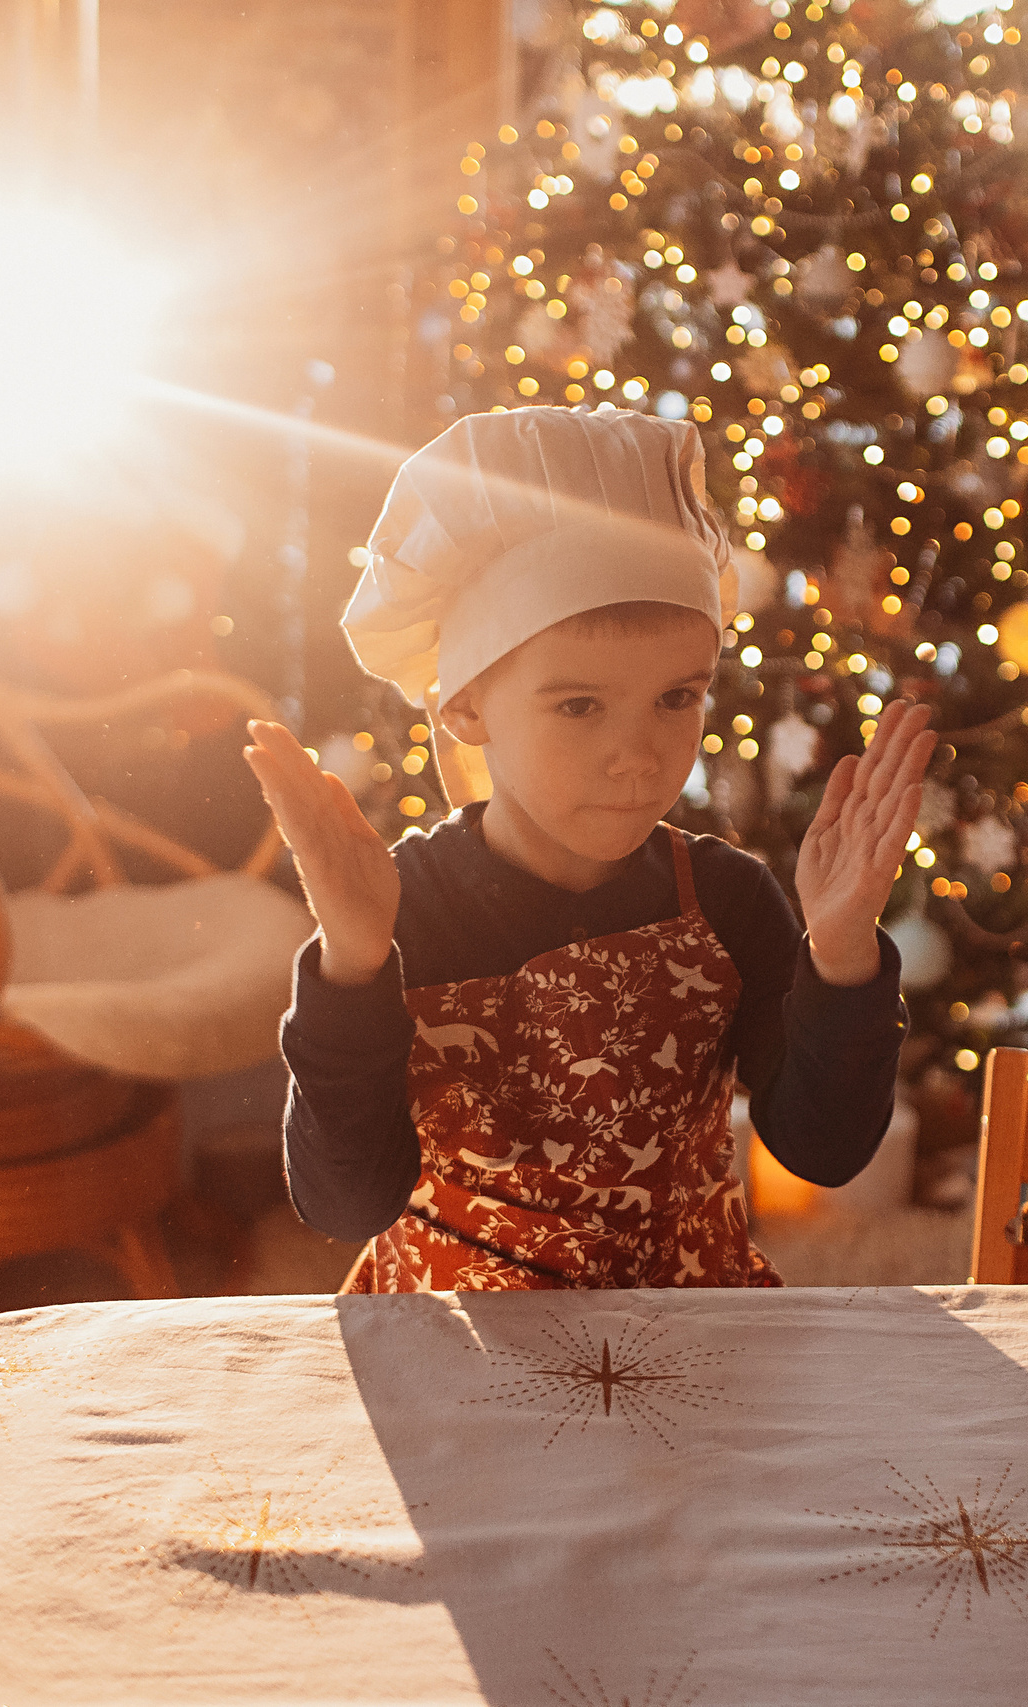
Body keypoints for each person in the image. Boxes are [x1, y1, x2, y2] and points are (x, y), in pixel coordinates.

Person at [246, 406, 932, 1291]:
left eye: (677, 697)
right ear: (465, 706)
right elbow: (344, 1204)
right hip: (456, 1343)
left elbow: (823, 1152)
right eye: (579, 705)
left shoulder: (725, 900)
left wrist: (839, 958)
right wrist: (351, 962)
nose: (641, 755)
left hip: (687, 1329)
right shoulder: (398, 907)